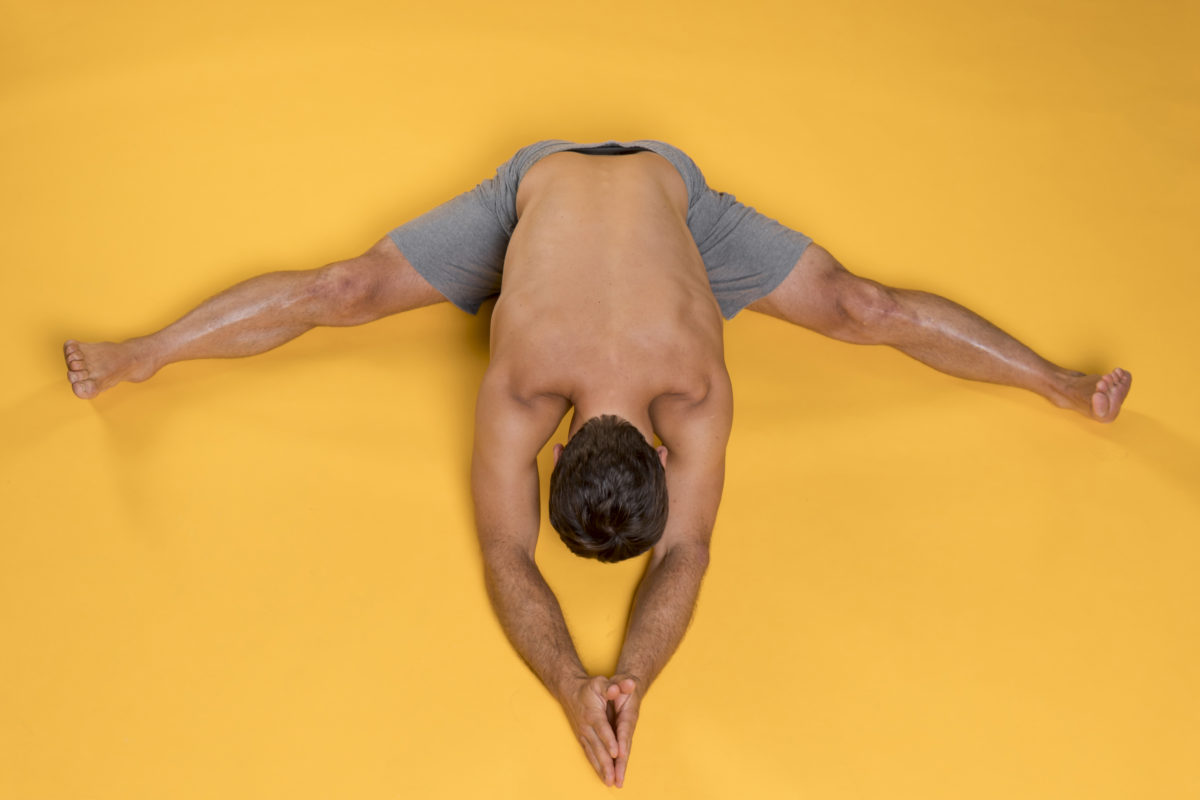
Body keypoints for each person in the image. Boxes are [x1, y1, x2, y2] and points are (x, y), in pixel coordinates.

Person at [62, 139, 1132, 787]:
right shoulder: (531, 371)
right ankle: (141, 354)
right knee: (339, 291)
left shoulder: (678, 387)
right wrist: (598, 679)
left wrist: (601, 677)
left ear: (567, 443)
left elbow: (651, 549)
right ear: (600, 444)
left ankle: (1056, 382)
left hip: (679, 205)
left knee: (867, 306)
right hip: (538, 193)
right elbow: (521, 547)